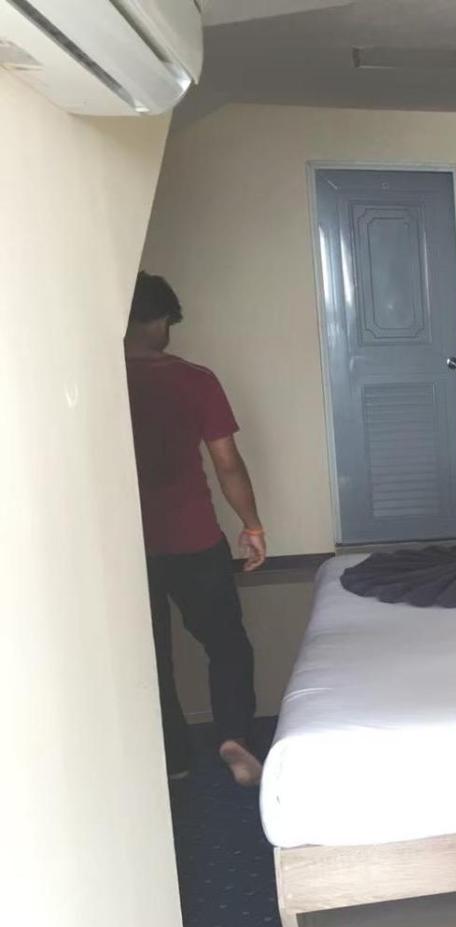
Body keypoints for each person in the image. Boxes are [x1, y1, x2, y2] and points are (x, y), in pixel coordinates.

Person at [124, 272, 267, 786]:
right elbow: (228, 463)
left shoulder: (95, 381)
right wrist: (252, 525)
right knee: (226, 642)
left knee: (150, 654)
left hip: (123, 545)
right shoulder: (194, 379)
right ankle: (234, 737)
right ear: (159, 320)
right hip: (192, 537)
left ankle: (173, 759)